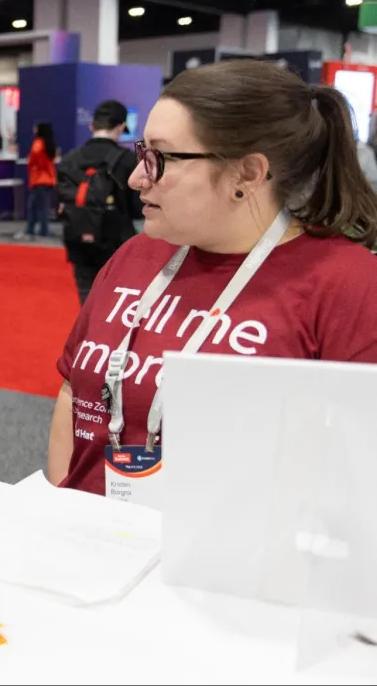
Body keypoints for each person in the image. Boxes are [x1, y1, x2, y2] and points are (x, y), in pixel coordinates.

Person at [48, 60, 377, 497]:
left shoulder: (347, 284)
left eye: (160, 158)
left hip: (231, 560)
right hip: (94, 544)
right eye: (142, 152)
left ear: (248, 173)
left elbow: (354, 470)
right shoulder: (138, 254)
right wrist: (60, 512)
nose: (135, 177)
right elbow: (75, 391)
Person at [56, 100, 143, 304]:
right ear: (121, 127)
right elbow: (137, 208)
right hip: (116, 240)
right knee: (116, 301)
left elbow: (60, 199)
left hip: (78, 238)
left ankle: (90, 334)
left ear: (92, 126)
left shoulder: (70, 159)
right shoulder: (128, 160)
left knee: (87, 297)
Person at [19, 122, 57, 239]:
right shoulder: (50, 144)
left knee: (36, 207)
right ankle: (37, 229)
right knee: (40, 206)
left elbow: (34, 158)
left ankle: (39, 230)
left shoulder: (38, 143)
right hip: (48, 179)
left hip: (39, 179)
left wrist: (32, 162)